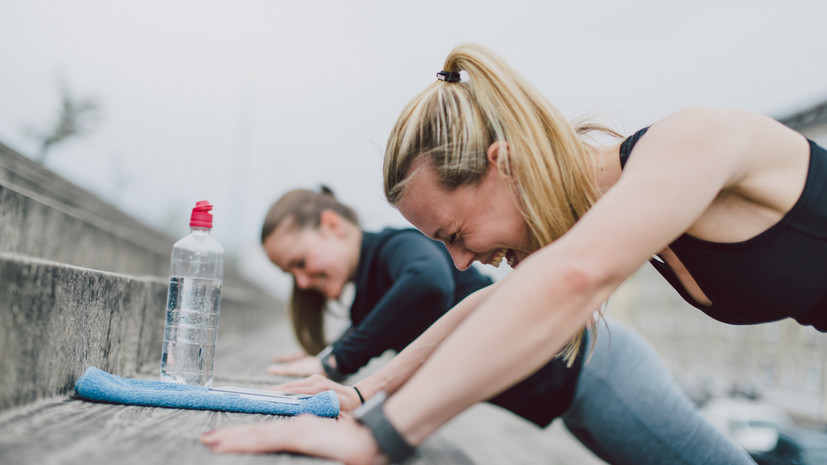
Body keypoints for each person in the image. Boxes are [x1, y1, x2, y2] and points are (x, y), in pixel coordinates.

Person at [199, 42, 827, 462]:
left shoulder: (694, 141)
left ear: (501, 165)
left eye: (452, 234)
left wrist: (379, 439)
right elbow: (501, 304)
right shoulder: (614, 210)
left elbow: (572, 278)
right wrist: (365, 394)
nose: (461, 263)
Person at [203, 186, 757, 464]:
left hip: (600, 374)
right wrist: (351, 392)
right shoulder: (370, 292)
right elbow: (451, 333)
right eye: (288, 274)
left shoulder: (395, 250)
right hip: (572, 404)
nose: (300, 281)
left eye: (300, 262)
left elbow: (430, 286)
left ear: (331, 225)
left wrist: (336, 363)